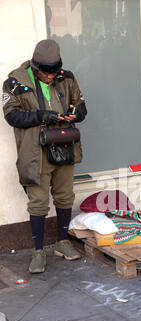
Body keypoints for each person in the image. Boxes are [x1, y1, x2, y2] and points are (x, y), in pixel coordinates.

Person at [2, 39, 87, 273]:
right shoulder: (14, 81)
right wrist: (43, 116)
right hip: (35, 152)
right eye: (45, 73)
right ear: (35, 66)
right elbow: (12, 117)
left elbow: (82, 108)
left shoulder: (66, 77)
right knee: (38, 202)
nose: (50, 77)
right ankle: (38, 251)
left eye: (54, 72)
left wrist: (74, 114)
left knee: (65, 196)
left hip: (64, 145)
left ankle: (62, 242)